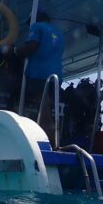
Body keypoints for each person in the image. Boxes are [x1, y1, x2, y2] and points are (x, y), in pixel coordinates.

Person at [13, 11, 65, 145]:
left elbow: (32, 46)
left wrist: (15, 51)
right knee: (51, 111)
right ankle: (55, 138)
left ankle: (50, 143)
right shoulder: (58, 32)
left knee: (43, 110)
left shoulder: (37, 27)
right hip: (56, 76)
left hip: (40, 74)